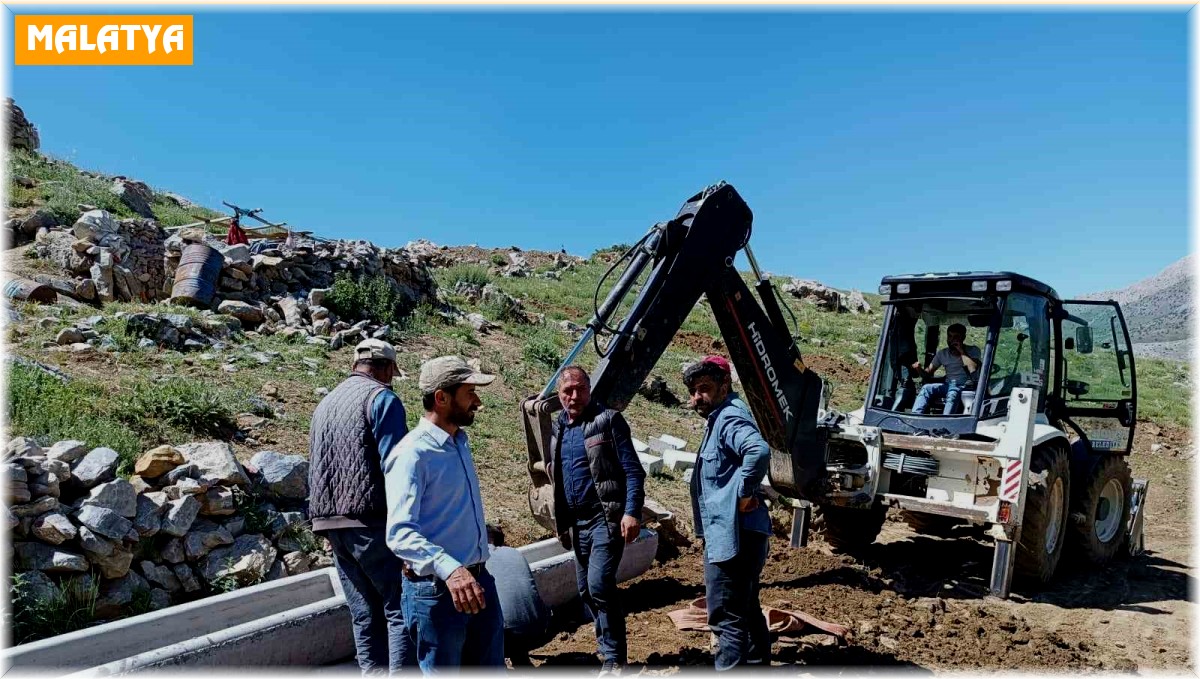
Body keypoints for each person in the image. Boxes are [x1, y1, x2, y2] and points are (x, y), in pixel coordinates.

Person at [385, 356, 503, 672]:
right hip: (438, 593)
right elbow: (399, 533)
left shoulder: (459, 443)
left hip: (478, 582)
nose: (477, 401)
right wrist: (451, 570)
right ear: (442, 397)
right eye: (470, 393)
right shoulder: (412, 454)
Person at [308, 338, 414, 673]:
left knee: (364, 614)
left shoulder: (325, 403)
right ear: (384, 368)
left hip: (330, 524)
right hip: (370, 522)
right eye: (391, 373)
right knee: (399, 609)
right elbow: (396, 466)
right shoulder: (382, 398)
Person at [548, 366, 646, 676]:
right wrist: (562, 524)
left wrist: (631, 512)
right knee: (584, 590)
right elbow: (558, 479)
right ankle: (605, 650)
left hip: (605, 519)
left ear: (589, 390)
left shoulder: (608, 421)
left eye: (580, 389)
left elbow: (633, 471)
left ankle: (614, 658)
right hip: (577, 525)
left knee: (600, 584)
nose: (574, 396)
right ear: (559, 395)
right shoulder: (559, 428)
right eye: (567, 391)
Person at [684, 355, 772, 671]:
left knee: (724, 614)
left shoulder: (729, 418)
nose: (697, 398)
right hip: (745, 533)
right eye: (693, 391)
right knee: (745, 609)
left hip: (734, 534)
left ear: (724, 386)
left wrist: (745, 493)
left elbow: (758, 450)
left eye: (704, 388)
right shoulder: (722, 418)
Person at [484, 527, 553, 667]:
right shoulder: (514, 552)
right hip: (540, 629)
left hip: (505, 637)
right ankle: (521, 661)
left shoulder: (478, 559)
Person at [911, 323, 982, 415]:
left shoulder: (973, 350)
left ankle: (945, 419)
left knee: (953, 392)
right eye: (950, 336)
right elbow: (927, 374)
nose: (952, 340)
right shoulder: (942, 354)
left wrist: (961, 351)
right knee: (926, 388)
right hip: (948, 385)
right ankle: (915, 416)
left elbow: (972, 369)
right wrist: (919, 369)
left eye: (956, 337)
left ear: (963, 337)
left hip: (965, 387)